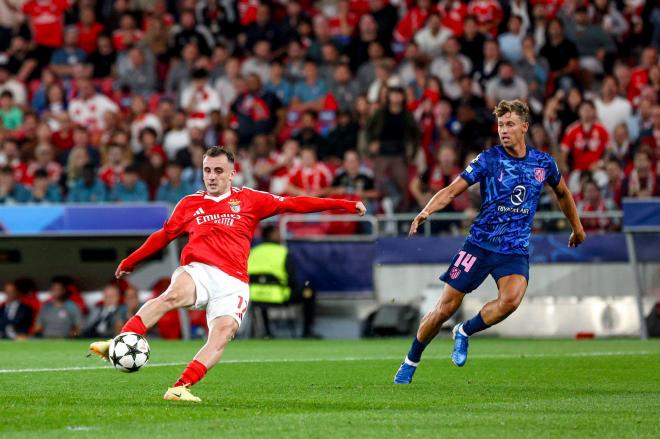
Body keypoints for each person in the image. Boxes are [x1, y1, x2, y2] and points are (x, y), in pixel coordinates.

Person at [89, 146, 366, 402]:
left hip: (234, 283)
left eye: (218, 171)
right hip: (200, 270)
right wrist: (132, 260)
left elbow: (295, 204)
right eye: (207, 170)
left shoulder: (250, 199)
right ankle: (118, 343)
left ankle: (179, 388)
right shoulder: (188, 204)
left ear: (232, 173)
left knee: (221, 335)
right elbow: (164, 236)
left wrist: (345, 204)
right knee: (173, 294)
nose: (211, 176)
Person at [393, 100, 586, 384]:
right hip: (479, 246)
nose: (503, 131)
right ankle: (410, 360)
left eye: (509, 124)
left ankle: (464, 331)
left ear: (524, 127)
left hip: (513, 249)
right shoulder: (488, 159)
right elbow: (452, 190)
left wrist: (577, 228)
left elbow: (564, 194)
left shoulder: (543, 163)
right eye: (500, 125)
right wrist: (426, 210)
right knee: (444, 309)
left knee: (511, 301)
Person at [248, 225, 319, 338]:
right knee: (309, 290)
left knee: (262, 298)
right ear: (271, 234)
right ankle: (307, 332)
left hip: (255, 297)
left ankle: (266, 333)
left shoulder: (253, 252)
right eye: (277, 233)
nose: (280, 236)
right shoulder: (282, 252)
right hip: (279, 296)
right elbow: (291, 279)